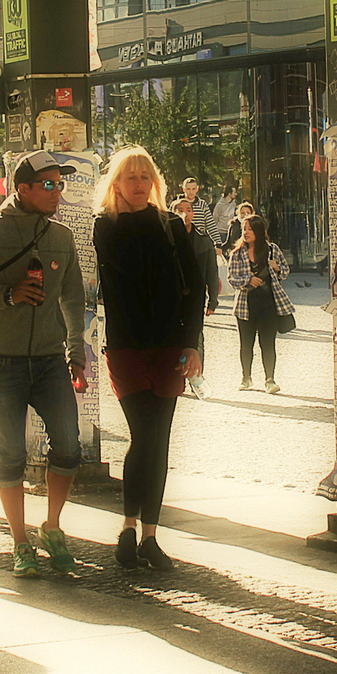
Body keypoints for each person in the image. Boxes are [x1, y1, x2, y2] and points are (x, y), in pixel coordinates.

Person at [0, 149, 86, 578]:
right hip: (2, 360)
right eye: (47, 185)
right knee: (9, 453)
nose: (56, 192)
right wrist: (4, 297)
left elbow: (73, 297)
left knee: (68, 444)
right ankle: (20, 542)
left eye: (59, 184)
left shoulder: (62, 236)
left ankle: (52, 526)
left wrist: (76, 351)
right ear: (21, 188)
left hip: (49, 359)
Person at [96, 148, 205, 570]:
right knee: (142, 435)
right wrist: (125, 217)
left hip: (169, 346)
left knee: (158, 440)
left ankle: (149, 536)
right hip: (126, 346)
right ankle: (127, 527)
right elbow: (122, 271)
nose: (138, 183)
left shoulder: (173, 226)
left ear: (155, 182)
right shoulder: (105, 227)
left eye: (145, 176)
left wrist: (192, 342)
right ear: (117, 183)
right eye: (130, 177)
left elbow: (195, 288)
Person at [229, 214, 293, 392]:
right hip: (245, 305)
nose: (246, 233)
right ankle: (246, 377)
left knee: (268, 343)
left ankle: (270, 379)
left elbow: (286, 271)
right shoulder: (237, 253)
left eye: (250, 229)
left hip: (268, 304)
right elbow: (232, 279)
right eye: (244, 229)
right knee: (246, 344)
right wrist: (248, 280)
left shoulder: (272, 249)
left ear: (258, 230)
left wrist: (276, 268)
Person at [172, 194, 221, 399]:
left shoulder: (203, 241)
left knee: (195, 337)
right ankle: (176, 379)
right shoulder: (166, 239)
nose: (185, 214)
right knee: (173, 337)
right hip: (171, 297)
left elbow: (211, 272)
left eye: (189, 210)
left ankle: (195, 376)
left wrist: (213, 300)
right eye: (180, 210)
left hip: (195, 297)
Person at [181, 177, 218, 244]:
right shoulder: (177, 205)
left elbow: (211, 225)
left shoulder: (202, 204)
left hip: (199, 242)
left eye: (193, 189)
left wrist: (218, 243)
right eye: (188, 189)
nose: (191, 192)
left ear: (197, 189)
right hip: (182, 239)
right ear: (184, 189)